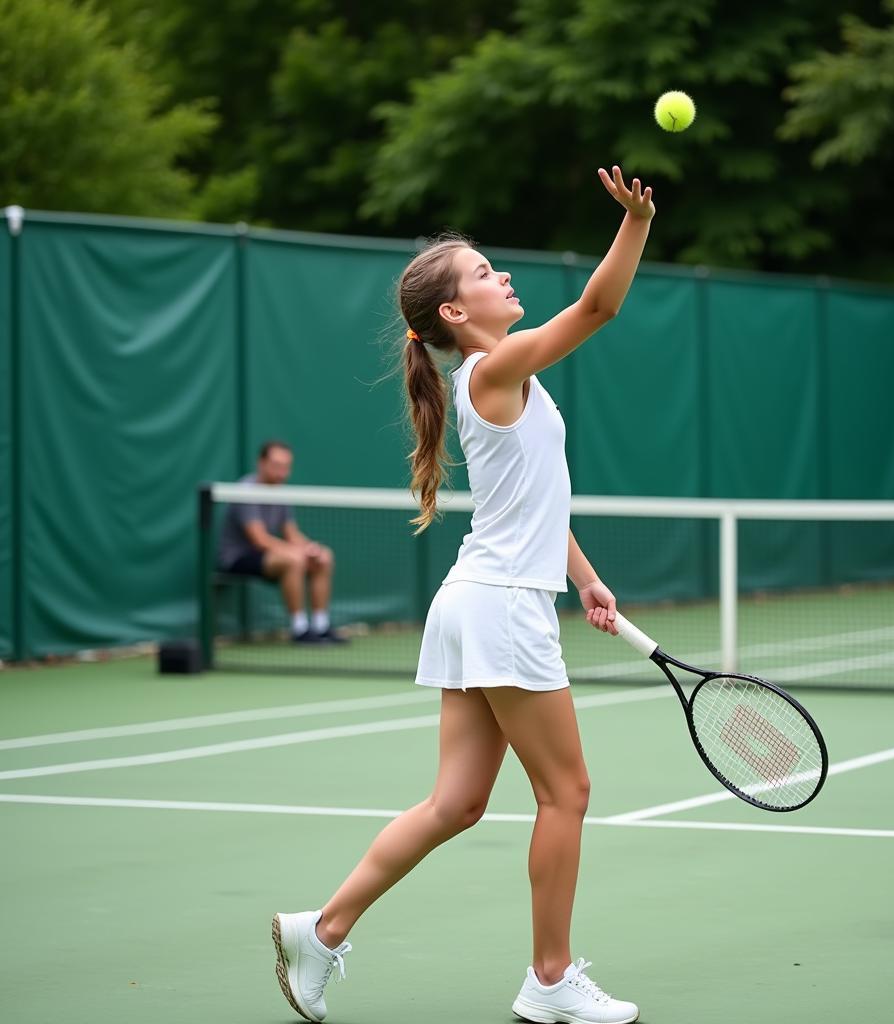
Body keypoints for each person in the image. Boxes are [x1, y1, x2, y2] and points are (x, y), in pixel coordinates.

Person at [272, 165, 654, 1023]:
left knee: (457, 803)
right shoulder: (494, 370)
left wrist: (585, 579)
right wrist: (635, 223)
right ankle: (550, 979)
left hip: (481, 597)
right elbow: (598, 309)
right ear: (454, 314)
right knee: (568, 794)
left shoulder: (500, 380)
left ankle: (320, 930)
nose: (502, 276)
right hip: (502, 607)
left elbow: (532, 504)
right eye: (484, 273)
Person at [218, 440, 345, 644]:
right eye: (276, 465)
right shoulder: (245, 490)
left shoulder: (280, 492)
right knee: (294, 560)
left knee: (324, 557)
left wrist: (310, 548)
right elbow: (259, 539)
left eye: (286, 466)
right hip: (237, 558)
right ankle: (300, 629)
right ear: (261, 463)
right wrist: (297, 553)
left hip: (270, 555)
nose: (282, 472)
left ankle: (321, 627)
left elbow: (291, 533)